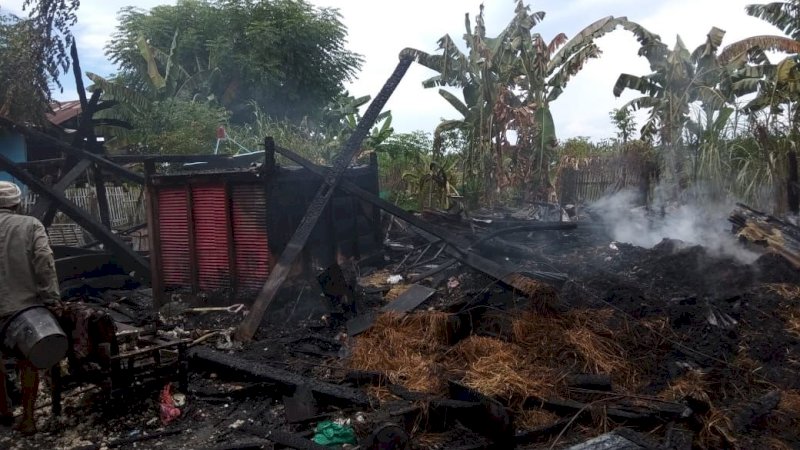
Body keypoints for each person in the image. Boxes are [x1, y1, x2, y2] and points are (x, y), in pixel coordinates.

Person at [0, 181, 61, 434]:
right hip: (23, 310)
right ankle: (27, 418)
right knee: (28, 362)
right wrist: (51, 299)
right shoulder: (30, 225)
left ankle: (4, 412)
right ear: (18, 203)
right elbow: (44, 262)